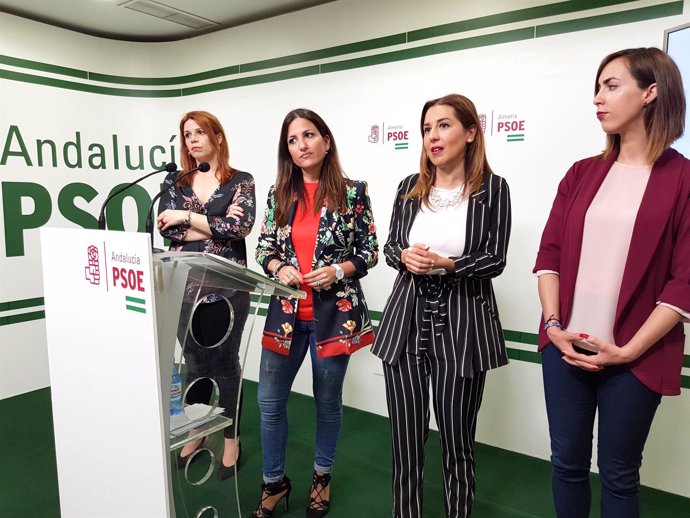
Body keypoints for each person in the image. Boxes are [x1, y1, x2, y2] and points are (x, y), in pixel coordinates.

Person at [534, 47, 690, 518]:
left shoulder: (683, 179)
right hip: (564, 348)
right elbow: (549, 257)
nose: (598, 98)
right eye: (597, 88)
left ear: (651, 92)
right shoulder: (582, 173)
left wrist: (626, 350)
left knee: (620, 476)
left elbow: (684, 282)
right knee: (566, 465)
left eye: (612, 85)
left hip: (634, 358)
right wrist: (554, 323)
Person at [372, 94, 512, 518]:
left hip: (463, 326)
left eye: (445, 125)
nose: (433, 136)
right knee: (406, 442)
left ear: (471, 133)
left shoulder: (493, 189)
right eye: (428, 127)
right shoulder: (408, 188)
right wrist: (404, 257)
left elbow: (495, 258)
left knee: (457, 441)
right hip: (406, 324)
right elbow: (391, 245)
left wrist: (450, 265)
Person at [251, 108, 378, 518]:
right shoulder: (278, 194)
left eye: (308, 135)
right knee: (269, 403)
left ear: (326, 141)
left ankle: (321, 478)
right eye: (292, 140)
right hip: (285, 316)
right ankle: (274, 483)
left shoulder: (353, 193)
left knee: (327, 403)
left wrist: (339, 269)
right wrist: (278, 267)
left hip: (332, 317)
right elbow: (263, 249)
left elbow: (369, 251)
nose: (301, 145)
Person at [157, 110, 256, 480]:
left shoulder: (240, 181)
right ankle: (198, 429)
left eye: (200, 132)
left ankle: (231, 436)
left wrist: (186, 218)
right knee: (196, 364)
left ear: (217, 136)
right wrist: (192, 223)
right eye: (186, 134)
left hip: (226, 291)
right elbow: (168, 230)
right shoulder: (176, 181)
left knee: (226, 366)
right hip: (184, 288)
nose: (193, 140)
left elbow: (239, 226)